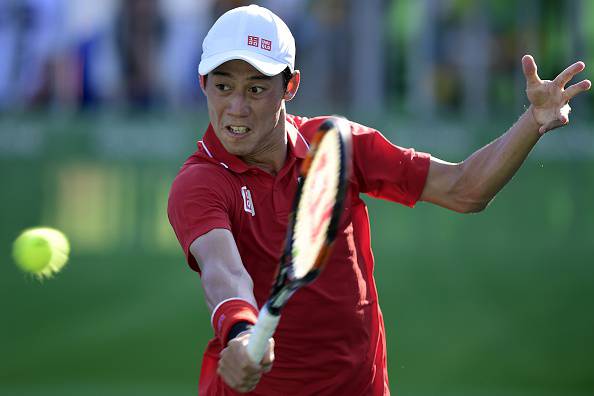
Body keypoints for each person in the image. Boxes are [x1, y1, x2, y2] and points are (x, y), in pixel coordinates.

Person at [167, 5, 590, 396]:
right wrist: (241, 334)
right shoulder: (199, 182)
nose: (236, 108)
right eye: (222, 87)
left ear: (290, 85)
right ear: (203, 83)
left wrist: (532, 122)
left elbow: (465, 189)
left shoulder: (338, 145)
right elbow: (224, 271)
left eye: (256, 89)